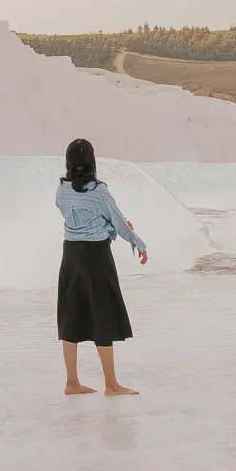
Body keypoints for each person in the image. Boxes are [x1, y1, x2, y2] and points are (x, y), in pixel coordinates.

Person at [56, 138, 148, 396]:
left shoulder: (61, 189)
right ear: (91, 162)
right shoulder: (98, 191)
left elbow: (68, 213)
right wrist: (138, 242)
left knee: (70, 315)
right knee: (102, 313)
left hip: (70, 254)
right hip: (95, 256)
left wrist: (107, 226)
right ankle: (111, 385)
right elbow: (117, 221)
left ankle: (71, 382)